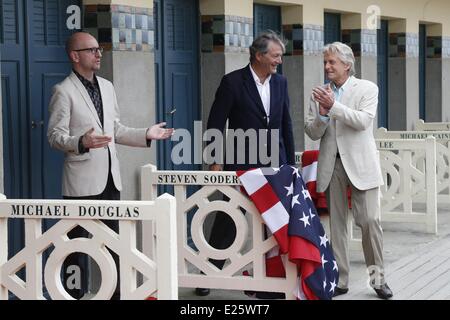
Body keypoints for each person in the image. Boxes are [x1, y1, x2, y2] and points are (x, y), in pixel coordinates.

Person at [47, 31, 173, 299]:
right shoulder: (63, 91)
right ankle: (75, 295)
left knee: (115, 245)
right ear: (74, 56)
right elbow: (55, 137)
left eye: (99, 49)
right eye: (91, 50)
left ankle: (116, 295)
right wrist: (81, 141)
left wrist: (145, 134)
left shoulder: (107, 86)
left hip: (110, 180)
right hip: (81, 183)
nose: (98, 53)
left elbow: (114, 129)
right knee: (76, 248)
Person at [196, 31, 295, 297]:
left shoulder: (281, 83)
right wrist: (214, 159)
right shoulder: (232, 82)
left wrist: (289, 164)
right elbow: (216, 123)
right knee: (228, 219)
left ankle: (269, 277)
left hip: (275, 164)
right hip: (240, 164)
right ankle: (208, 275)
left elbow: (286, 123)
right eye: (275, 56)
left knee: (272, 220)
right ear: (259, 55)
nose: (279, 61)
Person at [304, 42, 393, 299]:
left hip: (361, 165)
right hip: (332, 165)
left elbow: (363, 121)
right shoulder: (320, 93)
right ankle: (340, 279)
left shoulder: (367, 88)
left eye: (332, 62)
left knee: (370, 222)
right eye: (325, 62)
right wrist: (321, 115)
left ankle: (378, 280)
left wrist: (333, 107)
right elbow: (311, 132)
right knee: (337, 225)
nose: (327, 66)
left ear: (347, 64)